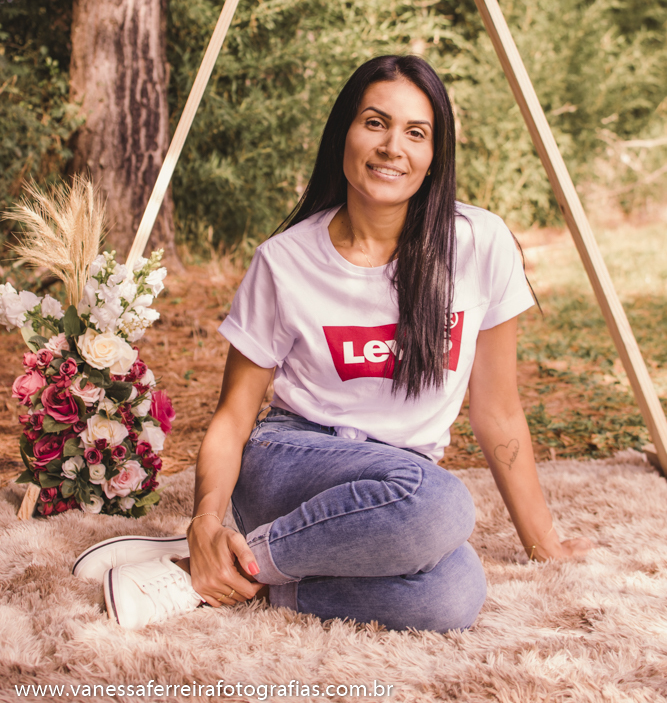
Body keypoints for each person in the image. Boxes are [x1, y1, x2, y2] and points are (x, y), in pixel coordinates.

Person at [73, 55, 591, 631]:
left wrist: (544, 541)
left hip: (390, 490)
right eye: (375, 122)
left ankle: (231, 574)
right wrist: (205, 516)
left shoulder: (479, 244)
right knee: (442, 502)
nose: (393, 146)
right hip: (290, 462)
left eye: (415, 133)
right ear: (344, 132)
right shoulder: (285, 261)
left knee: (453, 595)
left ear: (434, 156)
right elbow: (232, 418)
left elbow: (498, 411)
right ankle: (212, 548)